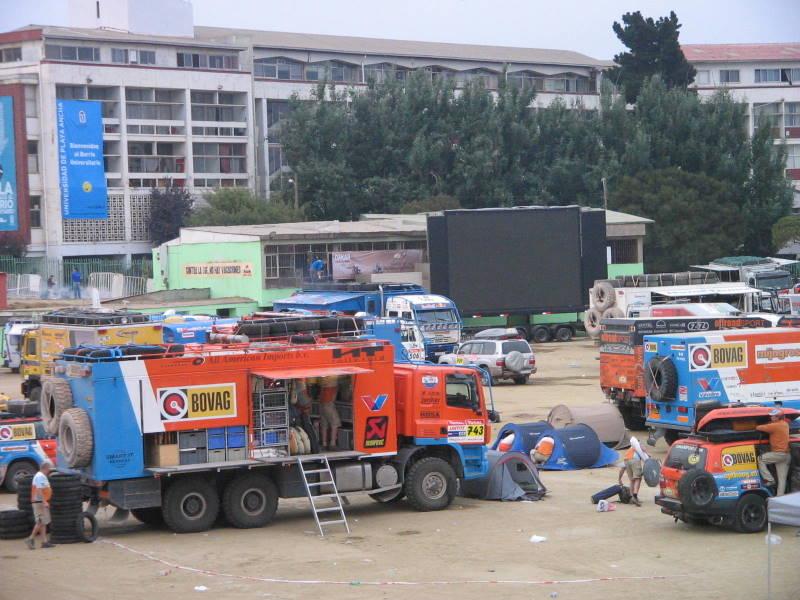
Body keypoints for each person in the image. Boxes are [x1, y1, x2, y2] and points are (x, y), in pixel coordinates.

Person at [756, 408, 791, 496]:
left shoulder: (774, 426)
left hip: (778, 454)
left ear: (778, 417)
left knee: (760, 459)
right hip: (786, 455)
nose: (771, 417)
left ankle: (770, 480)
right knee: (782, 480)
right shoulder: (785, 424)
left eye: (773, 416)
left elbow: (759, 427)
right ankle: (780, 498)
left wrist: (762, 424)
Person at [26, 460, 54, 550]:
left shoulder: (40, 476)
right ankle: (30, 538)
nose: (50, 471)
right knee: (41, 521)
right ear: (46, 468)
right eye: (49, 469)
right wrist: (44, 501)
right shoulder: (40, 476)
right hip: (39, 502)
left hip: (40, 502)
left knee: (43, 522)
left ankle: (44, 542)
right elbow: (39, 489)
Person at [619, 435, 650, 506]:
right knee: (638, 478)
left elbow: (622, 469)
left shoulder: (628, 452)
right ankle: (635, 496)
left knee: (632, 480)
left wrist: (619, 479)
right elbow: (643, 449)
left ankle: (631, 497)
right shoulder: (638, 445)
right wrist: (647, 454)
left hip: (626, 461)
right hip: (635, 460)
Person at [318, 375, 341, 450]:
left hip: (322, 403)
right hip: (329, 404)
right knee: (335, 423)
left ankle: (324, 443)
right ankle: (332, 444)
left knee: (324, 424)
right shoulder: (332, 379)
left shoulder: (323, 380)